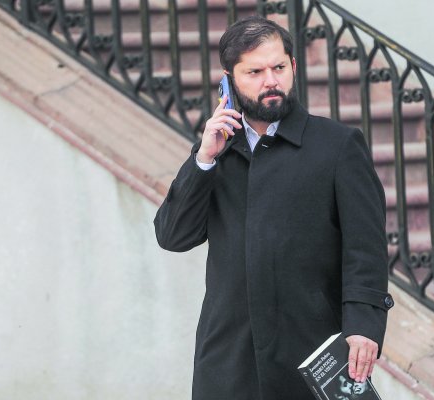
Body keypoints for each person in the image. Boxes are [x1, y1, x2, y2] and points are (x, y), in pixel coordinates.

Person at [154, 15, 393, 400]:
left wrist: (364, 323)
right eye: (255, 72)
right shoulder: (218, 152)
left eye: (279, 67)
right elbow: (173, 236)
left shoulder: (338, 145)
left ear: (293, 67)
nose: (271, 81)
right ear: (229, 79)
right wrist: (202, 160)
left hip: (313, 353)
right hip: (228, 361)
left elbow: (365, 245)